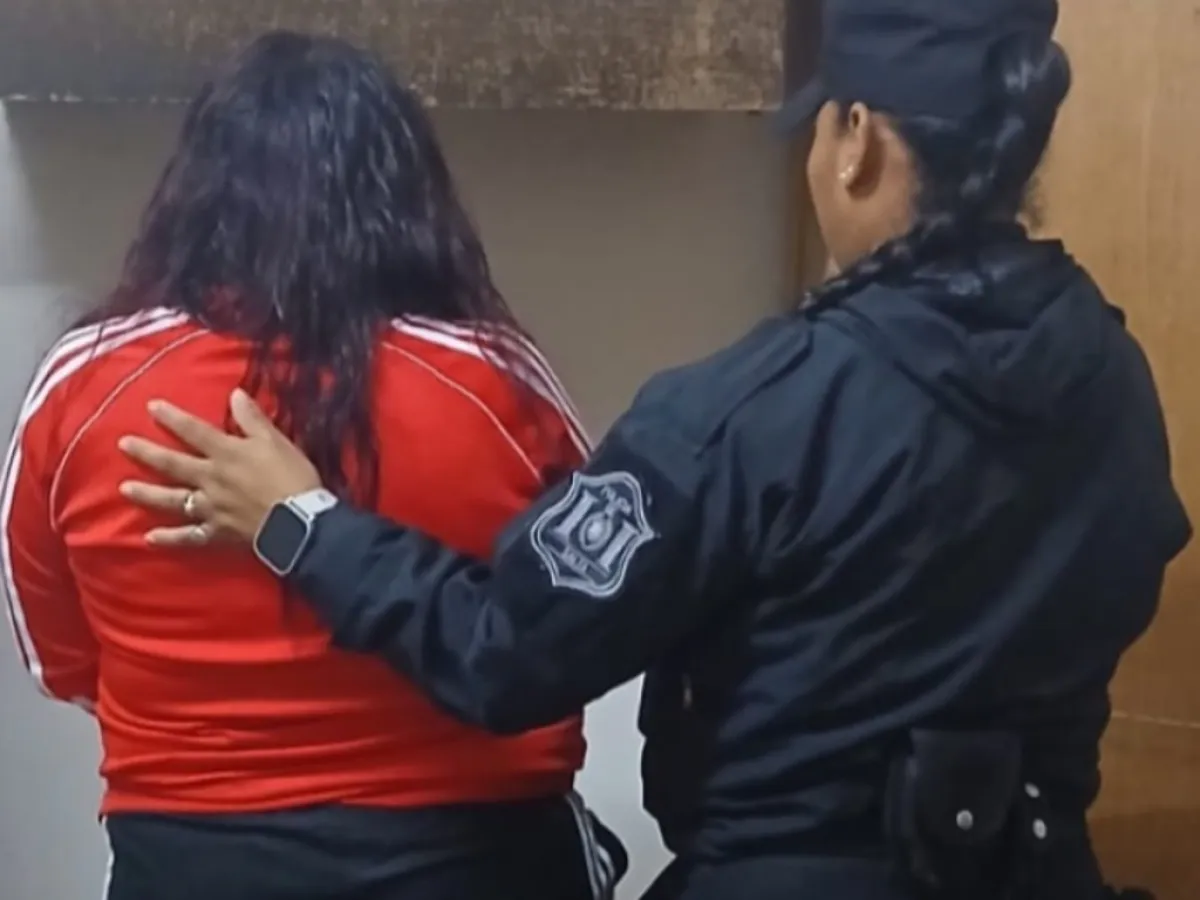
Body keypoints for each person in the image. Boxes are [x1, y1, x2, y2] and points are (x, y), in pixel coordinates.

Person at [116, 1, 1187, 898]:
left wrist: (300, 524)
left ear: (857, 139)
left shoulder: (752, 415)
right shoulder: (1111, 376)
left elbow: (505, 653)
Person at [1, 31, 625, 900]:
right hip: (484, 856)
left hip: (190, 859)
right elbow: (601, 614)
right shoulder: (494, 383)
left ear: (196, 195)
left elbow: (62, 660)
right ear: (406, 197)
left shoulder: (84, 391)